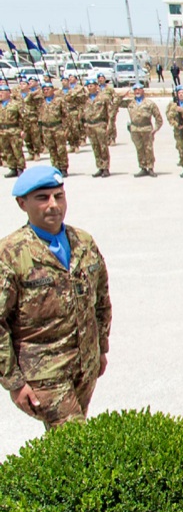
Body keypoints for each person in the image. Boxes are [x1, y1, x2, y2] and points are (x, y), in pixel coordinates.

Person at [0, 166, 112, 429]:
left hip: (85, 364)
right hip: (44, 371)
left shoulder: (83, 242)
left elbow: (102, 301)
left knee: (70, 439)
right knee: (74, 440)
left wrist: (101, 348)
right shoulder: (10, 254)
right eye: (43, 198)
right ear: (22, 203)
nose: (53, 205)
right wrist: (14, 382)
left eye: (58, 196)